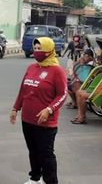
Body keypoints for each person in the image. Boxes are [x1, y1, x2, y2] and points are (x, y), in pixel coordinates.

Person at [10, 37, 67, 184]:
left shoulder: (57, 71)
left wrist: (49, 109)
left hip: (46, 123)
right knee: (33, 151)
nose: (37, 52)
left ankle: (50, 181)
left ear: (49, 50)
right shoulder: (31, 68)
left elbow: (62, 95)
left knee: (46, 154)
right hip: (28, 120)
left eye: (40, 49)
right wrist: (16, 108)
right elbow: (23, 90)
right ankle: (35, 178)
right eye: (35, 49)